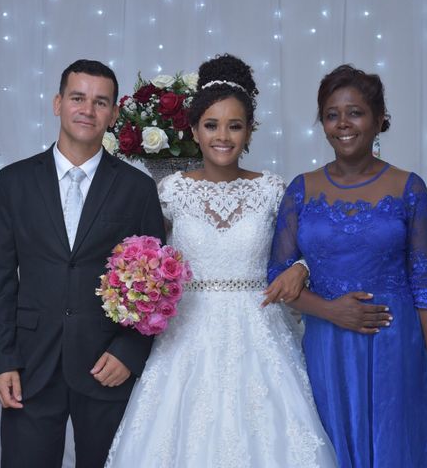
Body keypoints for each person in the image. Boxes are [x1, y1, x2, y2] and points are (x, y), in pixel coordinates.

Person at [105, 54, 337, 467]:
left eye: (235, 125)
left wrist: (302, 268)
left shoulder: (272, 189)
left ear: (249, 132)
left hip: (260, 328)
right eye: (211, 125)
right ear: (194, 130)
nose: (223, 136)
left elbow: (309, 250)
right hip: (187, 332)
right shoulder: (170, 190)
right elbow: (145, 259)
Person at [267, 64, 427, 467]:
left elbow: (426, 280)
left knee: (397, 444)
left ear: (378, 119)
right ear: (322, 123)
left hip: (395, 341)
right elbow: (276, 277)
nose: (343, 124)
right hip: (325, 344)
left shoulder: (409, 187)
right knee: (332, 445)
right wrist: (331, 310)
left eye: (354, 112)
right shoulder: (301, 190)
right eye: (331, 114)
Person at [0, 59, 166, 467]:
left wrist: (129, 353)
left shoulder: (137, 189)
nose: (88, 109)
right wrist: (1, 360)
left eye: (101, 102)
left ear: (114, 114)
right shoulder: (14, 182)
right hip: (29, 364)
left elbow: (158, 284)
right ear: (58, 103)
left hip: (106, 364)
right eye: (78, 98)